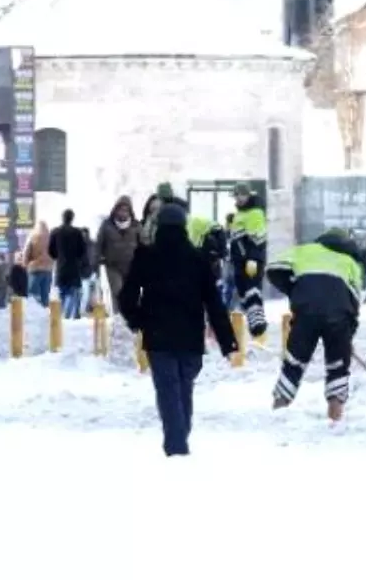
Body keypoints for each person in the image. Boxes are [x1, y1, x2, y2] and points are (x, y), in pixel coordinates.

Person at [118, 203, 239, 457]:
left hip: (158, 335)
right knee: (184, 388)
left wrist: (138, 320)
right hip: (191, 337)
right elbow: (214, 304)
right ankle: (180, 438)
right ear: (184, 227)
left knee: (168, 389)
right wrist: (228, 342)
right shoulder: (198, 258)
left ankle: (176, 445)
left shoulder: (146, 256)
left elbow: (126, 297)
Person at [266, 228, 363, 422]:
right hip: (338, 317)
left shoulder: (305, 250)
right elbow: (354, 302)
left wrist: (295, 289)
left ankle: (279, 409)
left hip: (306, 313)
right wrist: (347, 337)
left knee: (294, 362)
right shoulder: (350, 263)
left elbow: (273, 268)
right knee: (338, 366)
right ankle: (335, 418)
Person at [230, 182, 269, 344]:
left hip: (250, 261)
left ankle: (258, 327)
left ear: (247, 195)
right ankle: (254, 326)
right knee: (245, 293)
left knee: (252, 292)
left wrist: (253, 258)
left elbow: (258, 238)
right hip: (240, 261)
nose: (238, 199)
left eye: (241, 195)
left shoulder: (254, 213)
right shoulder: (241, 213)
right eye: (236, 196)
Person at [96, 196, 141, 313]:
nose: (123, 213)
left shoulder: (136, 226)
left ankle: (131, 318)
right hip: (113, 266)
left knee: (131, 293)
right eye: (121, 209)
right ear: (115, 210)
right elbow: (98, 244)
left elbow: (143, 244)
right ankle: (118, 316)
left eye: (126, 210)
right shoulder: (107, 225)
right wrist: (97, 260)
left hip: (132, 266)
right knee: (117, 291)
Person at [47, 209, 88, 320]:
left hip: (60, 267)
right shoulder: (77, 232)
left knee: (61, 293)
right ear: (72, 218)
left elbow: (50, 250)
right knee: (74, 292)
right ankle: (70, 315)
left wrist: (58, 256)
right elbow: (82, 251)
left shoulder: (55, 232)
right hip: (74, 267)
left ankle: (60, 316)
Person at [23, 222, 54, 306]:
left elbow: (26, 251)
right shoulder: (51, 238)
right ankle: (45, 314)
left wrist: (25, 265)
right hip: (48, 270)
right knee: (45, 295)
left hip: (35, 269)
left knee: (33, 296)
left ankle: (35, 315)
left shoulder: (32, 236)